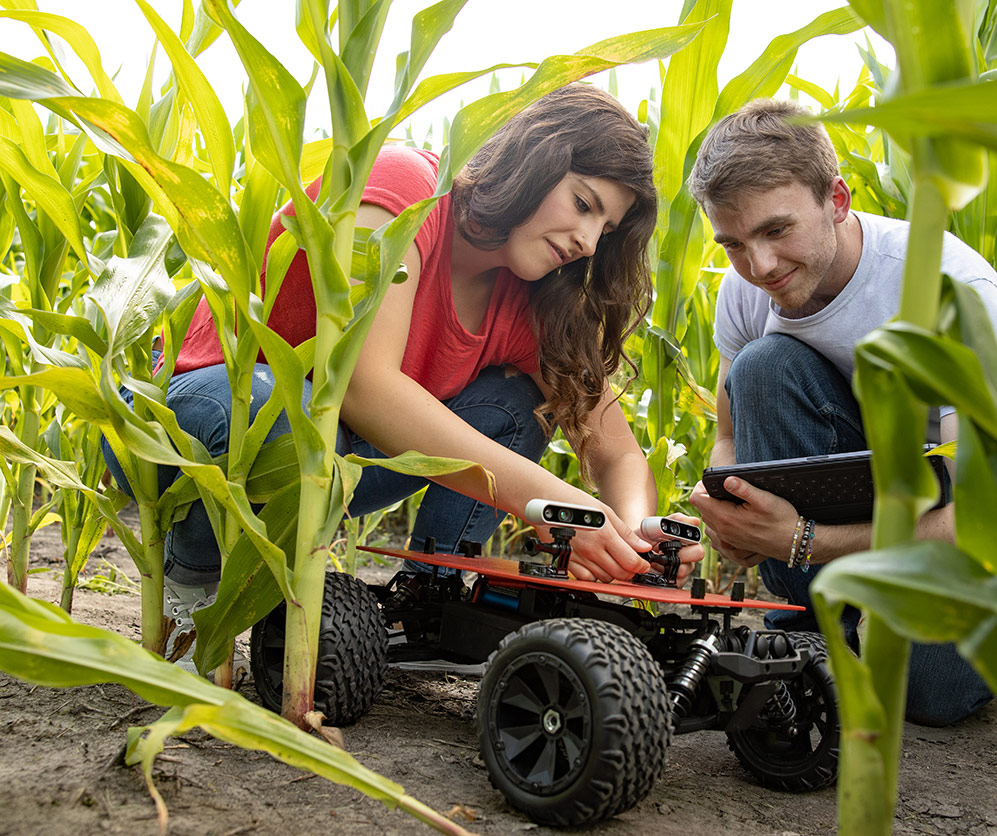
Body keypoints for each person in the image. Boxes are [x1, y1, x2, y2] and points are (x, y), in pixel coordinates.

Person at [103, 84, 701, 666]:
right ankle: (194, 585)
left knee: (517, 406)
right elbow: (364, 387)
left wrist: (633, 537)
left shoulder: (532, 304)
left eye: (607, 230)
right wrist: (558, 504)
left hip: (337, 466)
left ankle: (430, 604)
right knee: (281, 408)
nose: (589, 242)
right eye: (583, 203)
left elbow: (617, 453)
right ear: (535, 160)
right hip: (196, 433)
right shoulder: (404, 189)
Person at [686, 99, 997, 727]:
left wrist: (802, 542)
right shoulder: (744, 290)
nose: (759, 266)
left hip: (944, 517)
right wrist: (732, 515)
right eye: (733, 243)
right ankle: (823, 637)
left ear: (836, 200)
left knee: (932, 698)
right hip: (837, 499)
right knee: (763, 365)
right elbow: (729, 439)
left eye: (776, 231)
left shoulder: (949, 290)